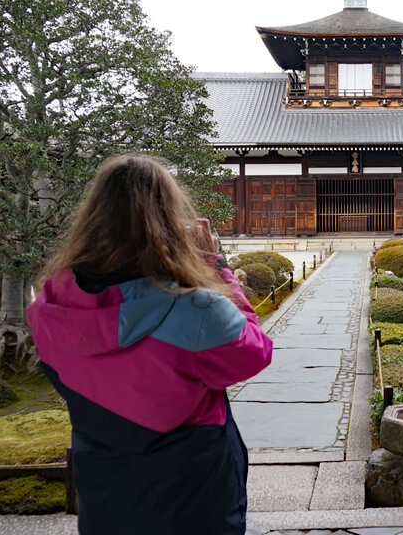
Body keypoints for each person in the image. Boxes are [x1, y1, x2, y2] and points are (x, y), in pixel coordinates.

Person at [26, 154, 272, 535]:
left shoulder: (48, 309)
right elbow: (253, 352)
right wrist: (216, 267)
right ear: (169, 219)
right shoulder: (195, 309)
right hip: (191, 492)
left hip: (104, 490)